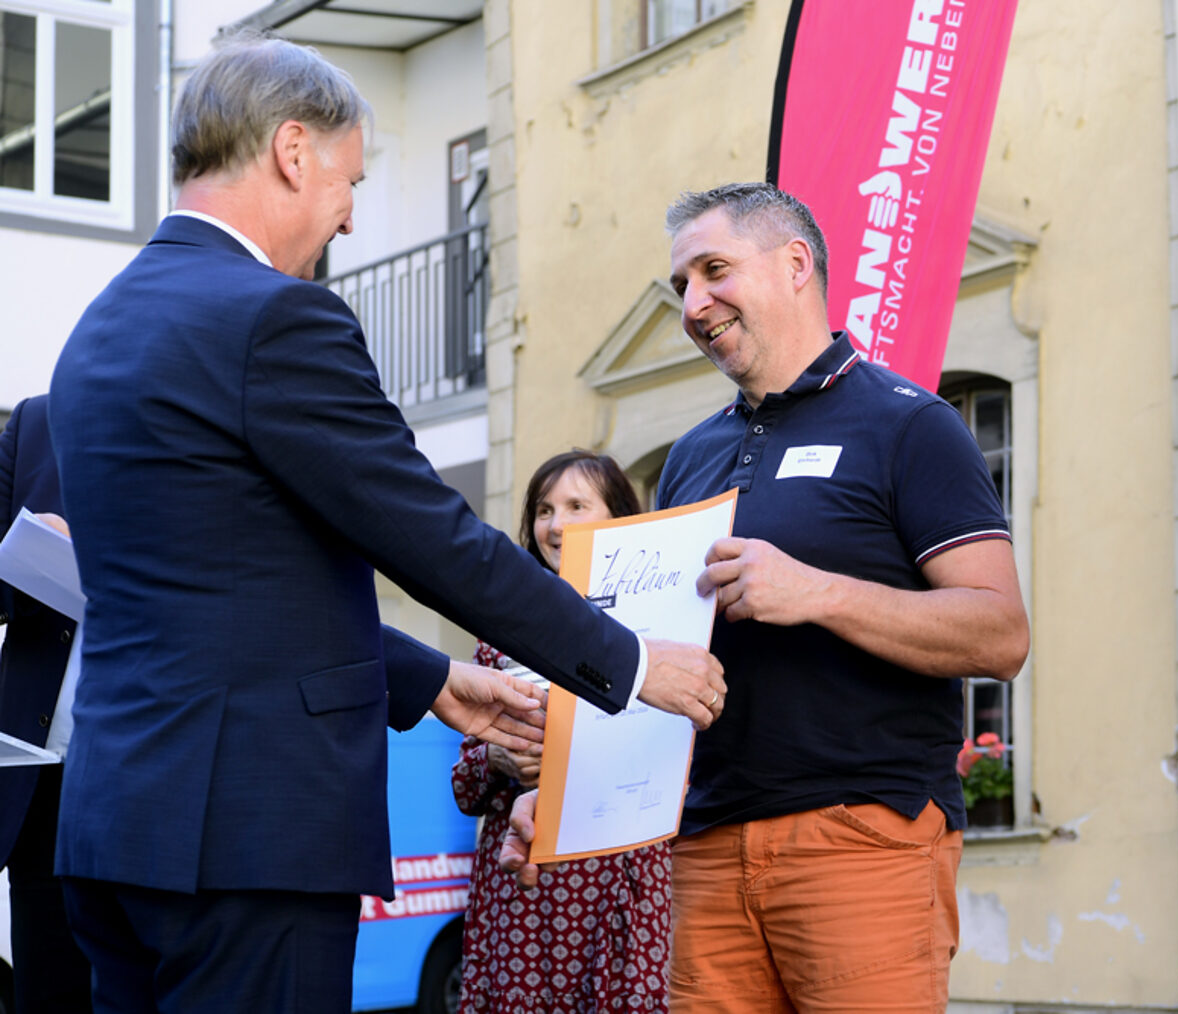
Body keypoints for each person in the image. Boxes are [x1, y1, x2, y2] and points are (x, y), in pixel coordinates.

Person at [45, 34, 723, 1014]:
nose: (351, 217)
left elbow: (218, 583)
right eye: (348, 181)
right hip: (249, 840)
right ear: (291, 151)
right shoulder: (273, 318)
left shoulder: (98, 329)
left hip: (118, 828)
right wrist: (627, 663)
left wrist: (435, 679)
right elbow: (427, 534)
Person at [506, 182, 1030, 1013]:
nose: (693, 303)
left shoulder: (911, 425)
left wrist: (817, 592)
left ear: (796, 266)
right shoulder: (689, 457)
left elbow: (999, 633)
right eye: (682, 284)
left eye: (714, 270)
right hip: (707, 851)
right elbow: (661, 664)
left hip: (862, 839)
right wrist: (572, 793)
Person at [456, 450, 673, 1013]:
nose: (557, 525)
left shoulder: (661, 629)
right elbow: (462, 786)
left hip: (623, 878)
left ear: (618, 516)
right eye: (545, 510)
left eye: (578, 505)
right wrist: (496, 760)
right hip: (525, 891)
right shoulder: (499, 631)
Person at [0, 395, 93, 1013]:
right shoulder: (38, 422)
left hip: (166, 775)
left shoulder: (221, 416)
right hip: (43, 791)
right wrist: (37, 555)